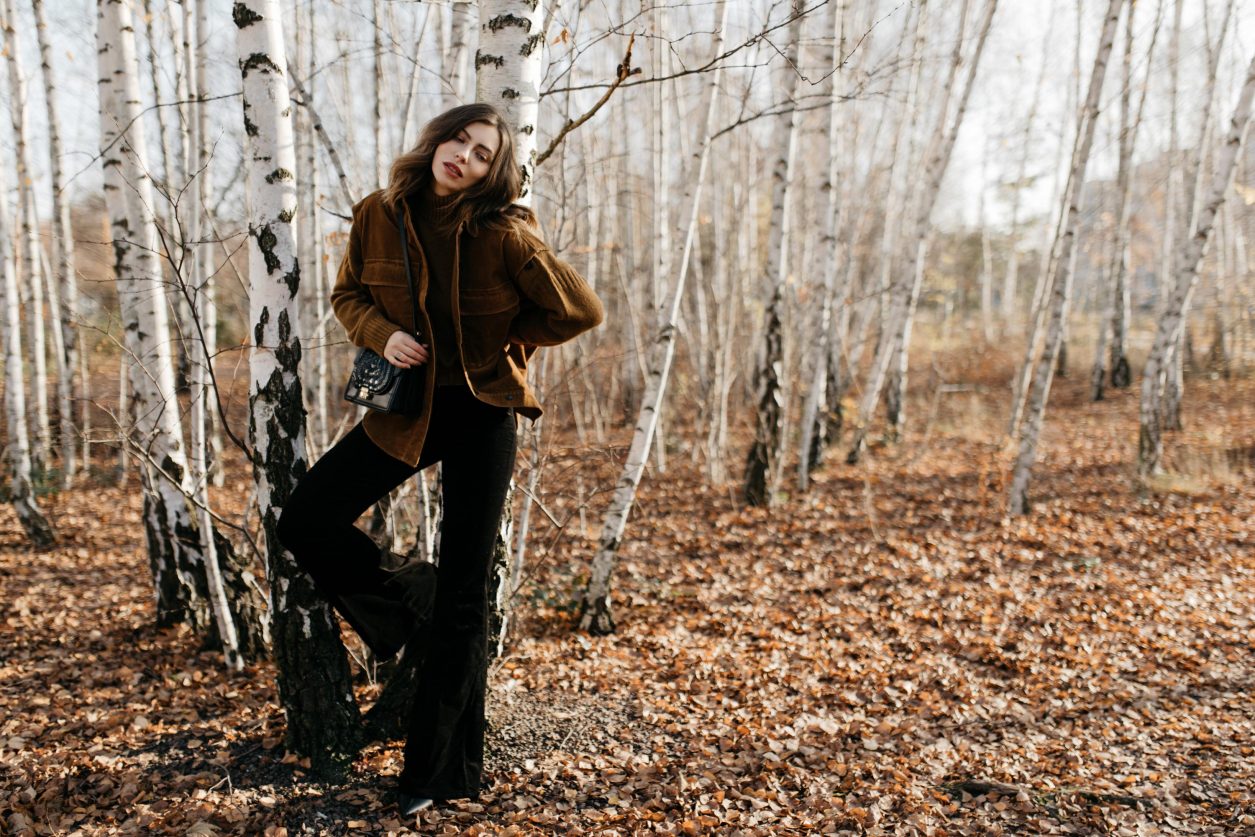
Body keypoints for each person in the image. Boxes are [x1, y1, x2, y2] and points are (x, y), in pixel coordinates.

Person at [276, 103, 603, 815]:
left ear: (495, 171)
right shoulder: (379, 212)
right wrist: (383, 333)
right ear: (435, 140)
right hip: (406, 410)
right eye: (459, 138)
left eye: (483, 153)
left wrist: (510, 338)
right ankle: (405, 601)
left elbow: (578, 311)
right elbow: (347, 293)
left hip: (483, 413)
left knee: (465, 595)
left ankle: (436, 774)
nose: (464, 156)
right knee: (306, 518)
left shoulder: (502, 230)